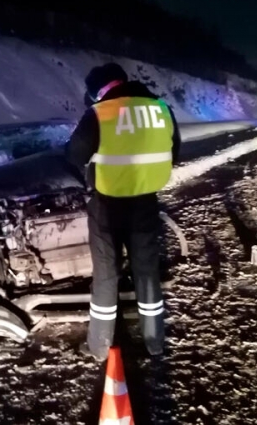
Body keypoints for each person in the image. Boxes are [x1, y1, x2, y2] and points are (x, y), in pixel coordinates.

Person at [65, 62, 181, 360]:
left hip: (107, 205)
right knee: (146, 272)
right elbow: (174, 151)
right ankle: (155, 341)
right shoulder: (161, 109)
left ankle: (99, 346)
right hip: (145, 203)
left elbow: (74, 155)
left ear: (96, 91)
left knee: (106, 275)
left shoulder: (99, 113)